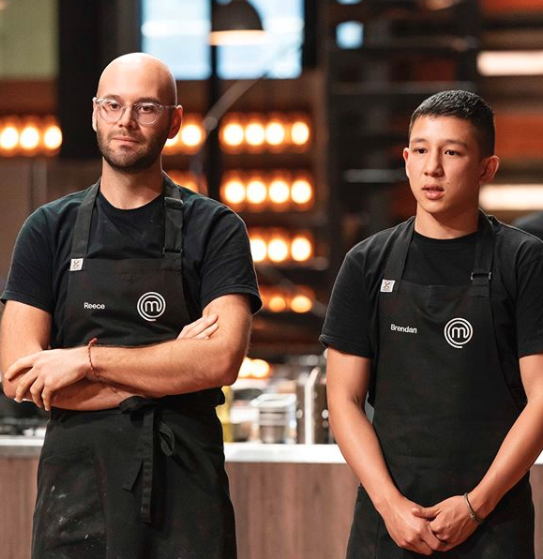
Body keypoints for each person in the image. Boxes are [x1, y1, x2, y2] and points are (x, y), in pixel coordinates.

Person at [0, 52, 261, 559]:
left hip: (184, 487)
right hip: (75, 490)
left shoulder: (216, 228)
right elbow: (18, 375)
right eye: (113, 105)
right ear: (94, 113)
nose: (125, 121)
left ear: (174, 121)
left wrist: (83, 360)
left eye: (145, 108)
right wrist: (167, 367)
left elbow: (219, 360)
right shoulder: (46, 229)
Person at [321, 90, 543, 558]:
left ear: (487, 168)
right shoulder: (366, 262)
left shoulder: (522, 261)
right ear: (405, 159)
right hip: (390, 524)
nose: (432, 168)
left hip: (492, 524)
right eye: (421, 150)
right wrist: (391, 505)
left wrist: (476, 506)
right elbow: (342, 399)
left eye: (453, 152)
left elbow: (542, 397)